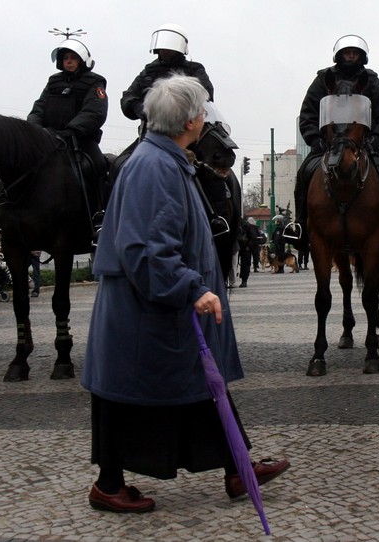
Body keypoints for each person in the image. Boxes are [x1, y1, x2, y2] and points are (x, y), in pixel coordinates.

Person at [81, 75, 289, 514]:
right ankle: (108, 484)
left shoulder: (168, 159)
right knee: (130, 392)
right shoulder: (154, 168)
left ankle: (238, 467)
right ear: (192, 119)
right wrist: (191, 288)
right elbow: (147, 251)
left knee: (201, 383)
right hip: (147, 309)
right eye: (201, 111)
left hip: (157, 308)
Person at [284, 34, 379, 247]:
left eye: (355, 52)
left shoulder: (371, 81)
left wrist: (378, 138)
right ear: (339, 55)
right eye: (347, 52)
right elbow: (308, 113)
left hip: (364, 144)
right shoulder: (322, 80)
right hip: (329, 144)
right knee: (305, 172)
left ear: (362, 56)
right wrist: (314, 139)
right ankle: (299, 225)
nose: (351, 55)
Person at [28, 37, 108, 231]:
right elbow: (39, 108)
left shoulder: (95, 82)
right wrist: (34, 131)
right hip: (50, 140)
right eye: (65, 58)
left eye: (73, 58)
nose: (69, 61)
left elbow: (94, 111)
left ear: (82, 60)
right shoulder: (53, 82)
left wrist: (71, 131)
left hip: (80, 140)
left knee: (98, 166)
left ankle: (100, 213)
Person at [120, 24, 214, 124]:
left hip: (185, 127)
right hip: (153, 128)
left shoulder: (194, 70)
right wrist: (143, 109)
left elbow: (206, 95)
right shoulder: (150, 71)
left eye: (170, 47)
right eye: (163, 47)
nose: (165, 50)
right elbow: (129, 96)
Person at [237, 217, 259, 288]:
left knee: (245, 264)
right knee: (244, 264)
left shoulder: (246, 225)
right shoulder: (244, 224)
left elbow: (253, 237)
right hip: (240, 246)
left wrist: (248, 247)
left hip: (244, 247)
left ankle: (244, 280)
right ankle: (243, 279)